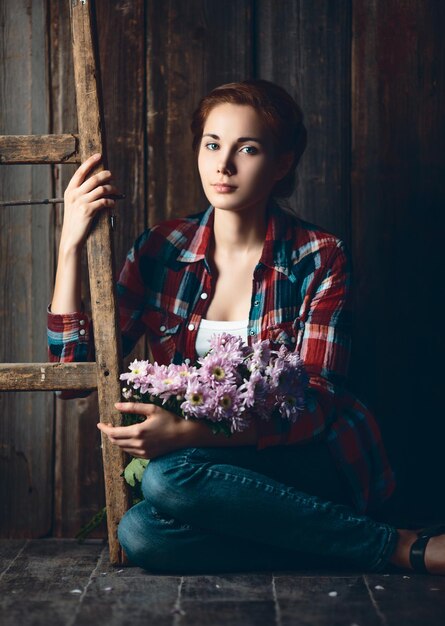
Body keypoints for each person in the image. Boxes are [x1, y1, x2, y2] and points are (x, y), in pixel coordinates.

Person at [48, 79, 445, 575]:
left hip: (312, 457)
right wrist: (70, 245)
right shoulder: (160, 249)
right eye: (213, 144)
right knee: (140, 533)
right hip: (210, 475)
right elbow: (72, 379)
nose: (224, 165)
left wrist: (187, 433)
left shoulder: (319, 258)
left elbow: (317, 407)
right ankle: (359, 543)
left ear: (282, 164)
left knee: (167, 481)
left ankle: (399, 547)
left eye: (248, 149)